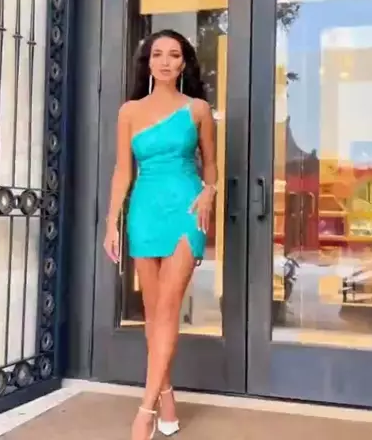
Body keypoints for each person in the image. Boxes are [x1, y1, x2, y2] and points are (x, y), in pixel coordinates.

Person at [103, 29, 217, 440]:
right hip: (144, 212)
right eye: (157, 54)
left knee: (167, 309)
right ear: (148, 62)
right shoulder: (129, 111)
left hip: (186, 211)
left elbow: (211, 165)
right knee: (155, 317)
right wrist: (112, 222)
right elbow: (123, 171)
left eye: (174, 55)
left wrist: (210, 191)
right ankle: (167, 397)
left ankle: (145, 410)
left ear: (184, 63)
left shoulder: (198, 109)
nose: (165, 61)